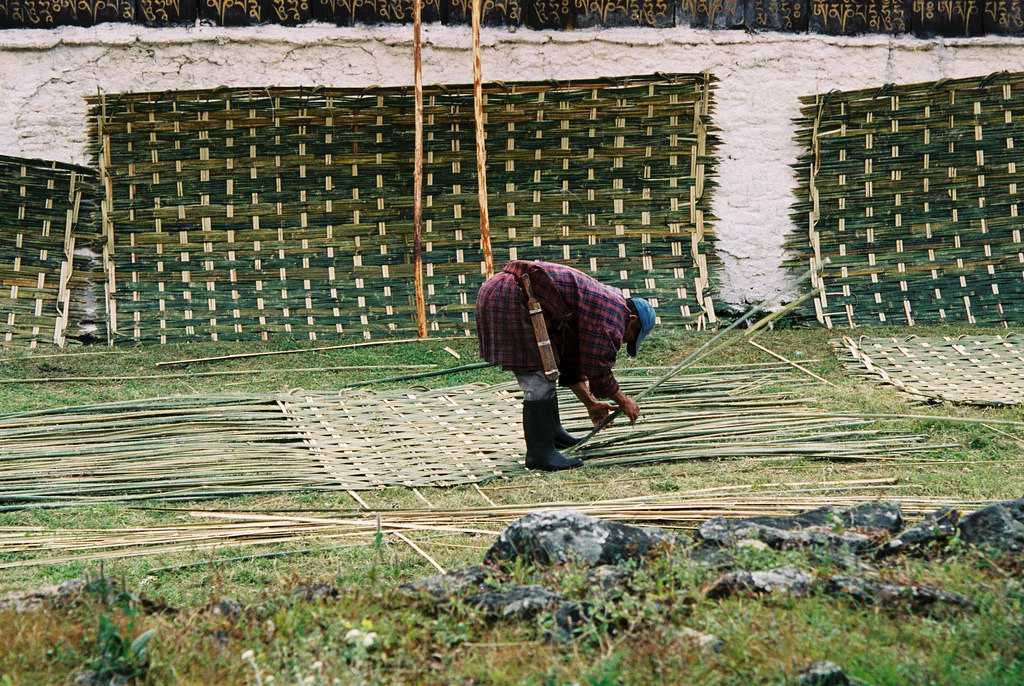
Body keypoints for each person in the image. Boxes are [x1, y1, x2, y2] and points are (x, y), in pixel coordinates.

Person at [475, 260, 657, 472]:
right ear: (632, 320)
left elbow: (573, 363)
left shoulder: (600, 308)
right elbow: (598, 369)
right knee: (538, 376)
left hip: (511, 295)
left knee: (548, 367)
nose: (626, 341)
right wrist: (624, 401)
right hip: (510, 297)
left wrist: (590, 403)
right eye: (632, 336)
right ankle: (539, 454)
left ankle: (552, 434)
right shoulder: (613, 314)